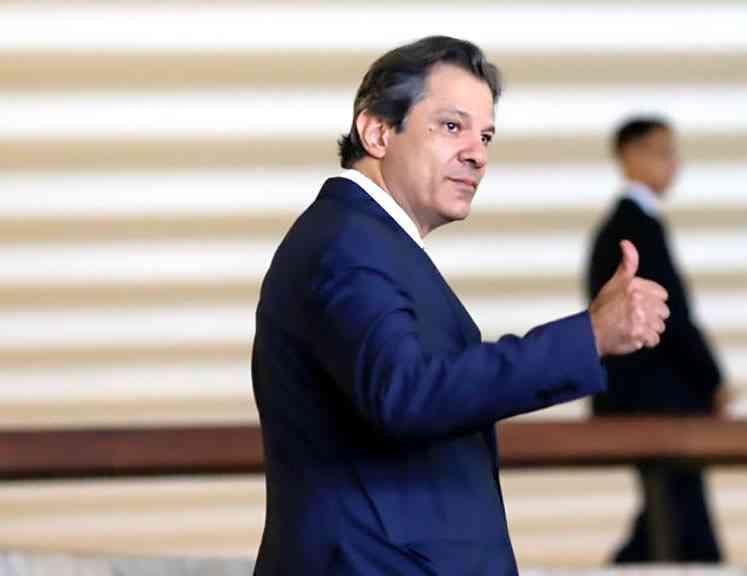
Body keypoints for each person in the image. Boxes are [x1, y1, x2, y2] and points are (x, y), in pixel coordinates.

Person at [251, 37, 670, 575]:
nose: (478, 154)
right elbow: (408, 392)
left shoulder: (369, 240)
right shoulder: (347, 243)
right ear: (377, 132)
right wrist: (587, 336)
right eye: (452, 126)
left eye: (486, 136)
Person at [586, 117, 733, 564]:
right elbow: (671, 318)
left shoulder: (628, 225)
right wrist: (711, 380)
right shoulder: (633, 227)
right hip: (656, 400)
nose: (674, 164)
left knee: (669, 513)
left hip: (649, 398)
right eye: (663, 152)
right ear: (630, 156)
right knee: (681, 517)